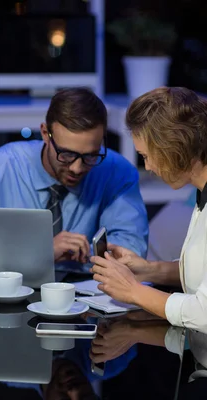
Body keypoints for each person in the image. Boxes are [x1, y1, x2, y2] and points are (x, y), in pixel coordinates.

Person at [0, 87, 148, 274]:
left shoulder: (117, 171)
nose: (76, 168)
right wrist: (40, 252)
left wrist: (86, 252)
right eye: (66, 154)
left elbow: (133, 251)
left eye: (91, 156)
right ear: (45, 134)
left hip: (86, 296)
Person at [91, 87, 207, 333]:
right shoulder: (201, 195)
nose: (150, 167)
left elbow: (203, 314)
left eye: (146, 156)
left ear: (175, 146)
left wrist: (134, 290)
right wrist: (150, 269)